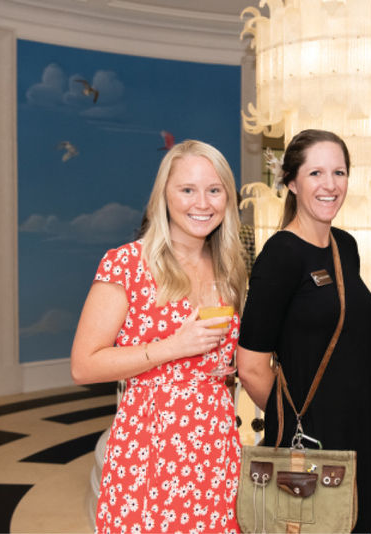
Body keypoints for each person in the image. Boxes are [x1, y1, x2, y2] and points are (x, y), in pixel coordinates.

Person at [71, 140, 248, 533]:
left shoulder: (229, 268)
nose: (202, 203)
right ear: (164, 196)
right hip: (150, 448)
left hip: (215, 444)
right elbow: (83, 366)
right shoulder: (127, 263)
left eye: (214, 190)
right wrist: (172, 348)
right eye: (187, 190)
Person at [237, 129, 371, 533]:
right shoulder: (280, 255)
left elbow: (348, 329)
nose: (330, 185)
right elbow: (251, 366)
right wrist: (297, 424)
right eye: (316, 173)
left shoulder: (345, 246)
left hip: (359, 432)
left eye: (339, 172)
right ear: (291, 182)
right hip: (312, 442)